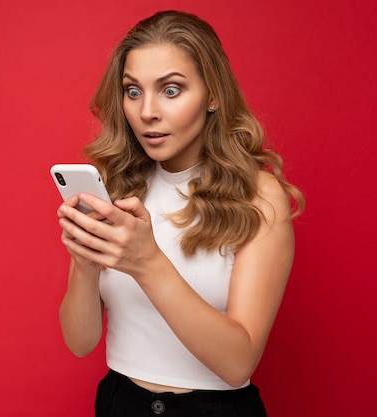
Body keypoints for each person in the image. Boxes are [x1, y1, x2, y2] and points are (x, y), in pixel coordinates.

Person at [56, 10, 304, 417]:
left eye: (170, 90)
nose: (147, 111)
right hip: (120, 402)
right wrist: (83, 264)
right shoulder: (117, 186)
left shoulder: (258, 196)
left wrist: (147, 262)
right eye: (133, 91)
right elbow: (80, 342)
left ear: (213, 95)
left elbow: (237, 362)